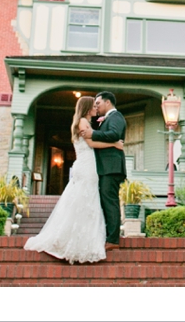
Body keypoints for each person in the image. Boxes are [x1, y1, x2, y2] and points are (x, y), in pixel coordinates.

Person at [23, 96, 123, 264]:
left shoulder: (84, 121)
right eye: (93, 106)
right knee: (86, 199)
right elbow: (92, 144)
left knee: (84, 200)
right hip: (87, 166)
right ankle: (77, 239)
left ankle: (82, 237)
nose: (96, 108)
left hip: (85, 165)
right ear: (86, 108)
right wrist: (114, 144)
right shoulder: (83, 122)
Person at [79, 91, 126, 250]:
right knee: (105, 201)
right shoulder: (106, 119)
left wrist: (93, 133)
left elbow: (114, 134)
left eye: (98, 103)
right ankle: (107, 235)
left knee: (110, 201)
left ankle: (113, 240)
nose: (96, 107)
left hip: (111, 168)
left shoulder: (116, 117)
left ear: (108, 103)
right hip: (104, 167)